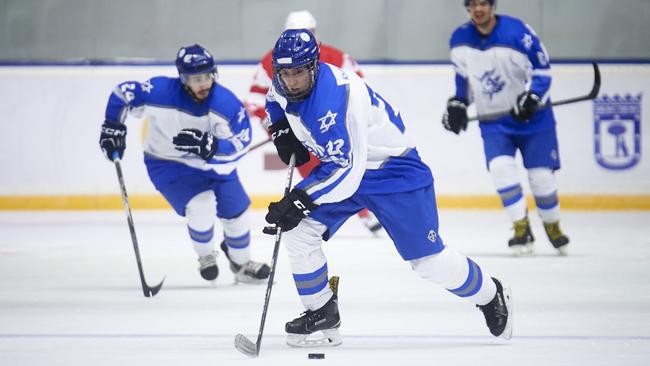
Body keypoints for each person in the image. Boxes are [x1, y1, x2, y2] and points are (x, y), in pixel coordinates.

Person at [262, 29, 513, 347]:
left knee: (429, 263)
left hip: (393, 172)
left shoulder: (339, 97)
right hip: (342, 165)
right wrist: (281, 129)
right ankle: (321, 311)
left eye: (299, 72)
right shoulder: (283, 84)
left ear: (314, 65)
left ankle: (490, 293)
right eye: (285, 73)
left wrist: (301, 199)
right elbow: (273, 99)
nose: (292, 81)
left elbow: (350, 173)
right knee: (298, 231)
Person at [99, 44, 270, 283]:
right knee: (201, 204)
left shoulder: (226, 104)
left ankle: (241, 264)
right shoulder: (160, 92)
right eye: (195, 78)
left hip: (213, 164)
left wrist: (212, 147)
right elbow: (122, 93)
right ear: (182, 78)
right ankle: (206, 256)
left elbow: (240, 145)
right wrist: (112, 125)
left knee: (237, 211)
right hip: (167, 163)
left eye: (207, 76)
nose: (203, 83)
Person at [442, 0, 569, 256]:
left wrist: (532, 97)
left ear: (492, 5)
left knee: (542, 178)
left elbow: (543, 71)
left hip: (534, 120)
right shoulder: (459, 39)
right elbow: (463, 80)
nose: (478, 9)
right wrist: (458, 103)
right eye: (473, 5)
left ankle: (552, 224)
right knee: (501, 169)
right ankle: (521, 227)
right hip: (494, 121)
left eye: (483, 4)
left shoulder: (518, 33)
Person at [245, 10, 383, 235]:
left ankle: (365, 213)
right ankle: (313, 217)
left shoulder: (335, 56)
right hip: (301, 134)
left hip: (334, 129)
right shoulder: (274, 60)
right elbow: (255, 99)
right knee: (315, 176)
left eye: (309, 32)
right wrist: (274, 124)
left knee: (347, 166)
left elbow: (360, 88)